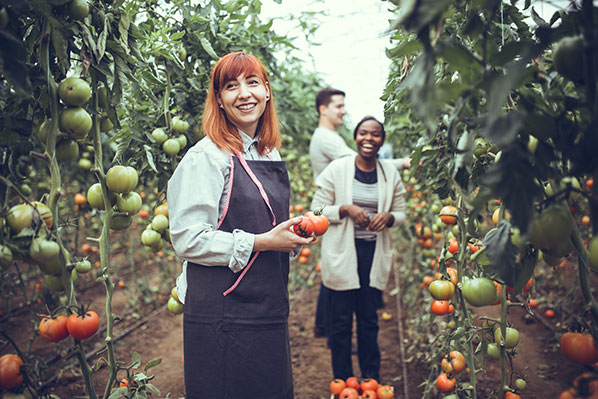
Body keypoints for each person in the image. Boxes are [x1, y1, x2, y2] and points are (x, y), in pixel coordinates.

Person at [167, 51, 313, 399]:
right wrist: (263, 241)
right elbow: (187, 239)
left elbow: (265, 224)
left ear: (267, 91)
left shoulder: (268, 154)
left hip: (267, 305)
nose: (244, 94)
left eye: (252, 82)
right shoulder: (207, 157)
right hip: (221, 314)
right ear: (219, 99)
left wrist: (289, 236)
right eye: (231, 86)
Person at [311, 115, 407, 381]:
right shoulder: (338, 169)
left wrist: (388, 217)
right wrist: (344, 209)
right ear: (355, 137)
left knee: (369, 321)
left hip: (372, 255)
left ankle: (370, 377)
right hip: (342, 255)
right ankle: (343, 381)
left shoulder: (390, 173)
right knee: (340, 324)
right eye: (364, 133)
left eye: (375, 134)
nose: (369, 139)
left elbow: (401, 213)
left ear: (382, 140)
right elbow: (315, 210)